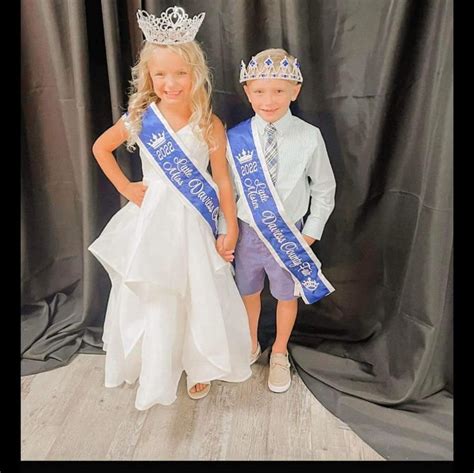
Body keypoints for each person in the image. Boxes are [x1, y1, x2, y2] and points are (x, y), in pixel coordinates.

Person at [88, 6, 251, 409]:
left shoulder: (209, 123)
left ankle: (198, 365)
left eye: (180, 73)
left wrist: (229, 225)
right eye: (160, 74)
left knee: (196, 292)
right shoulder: (141, 117)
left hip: (194, 221)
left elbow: (223, 180)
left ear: (196, 74)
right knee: (158, 292)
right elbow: (100, 148)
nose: (170, 82)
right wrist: (126, 186)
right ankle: (157, 365)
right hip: (153, 221)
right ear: (148, 77)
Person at [225, 48, 336, 393]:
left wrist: (312, 233)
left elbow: (325, 188)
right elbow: (224, 191)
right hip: (246, 235)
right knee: (248, 294)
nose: (268, 100)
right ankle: (250, 344)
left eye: (278, 91)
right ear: (247, 92)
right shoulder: (236, 138)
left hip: (290, 235)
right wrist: (225, 232)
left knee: (287, 296)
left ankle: (278, 352)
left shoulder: (309, 136)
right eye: (259, 91)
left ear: (295, 91)